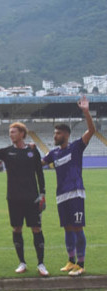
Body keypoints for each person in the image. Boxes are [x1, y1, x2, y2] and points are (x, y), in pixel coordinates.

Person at [42, 95, 95, 276]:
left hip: (76, 193)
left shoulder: (76, 147)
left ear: (65, 135)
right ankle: (71, 261)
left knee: (78, 228)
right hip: (61, 195)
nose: (54, 136)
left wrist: (86, 112)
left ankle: (81, 264)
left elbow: (91, 131)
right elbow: (39, 163)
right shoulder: (53, 153)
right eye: (54, 133)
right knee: (67, 228)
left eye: (57, 133)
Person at [0, 122, 48, 276]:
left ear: (22, 134)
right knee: (17, 228)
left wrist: (42, 193)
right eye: (10, 132)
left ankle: (41, 263)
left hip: (32, 198)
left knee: (36, 228)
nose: (11, 135)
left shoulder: (32, 151)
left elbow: (39, 173)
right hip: (14, 198)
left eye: (14, 132)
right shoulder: (6, 152)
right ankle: (22, 262)